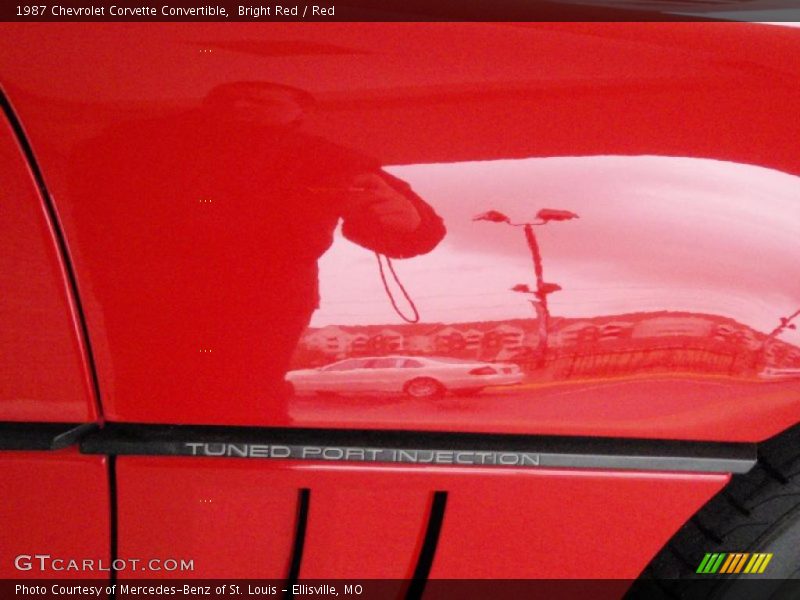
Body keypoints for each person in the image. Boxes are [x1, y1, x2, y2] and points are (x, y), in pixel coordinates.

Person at [69, 81, 445, 424]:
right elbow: (82, 176)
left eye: (260, 97)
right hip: (154, 299)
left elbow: (408, 228)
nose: (242, 103)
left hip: (255, 304)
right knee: (158, 398)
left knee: (236, 400)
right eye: (228, 96)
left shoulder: (324, 159)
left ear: (300, 110)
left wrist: (407, 221)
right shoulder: (139, 143)